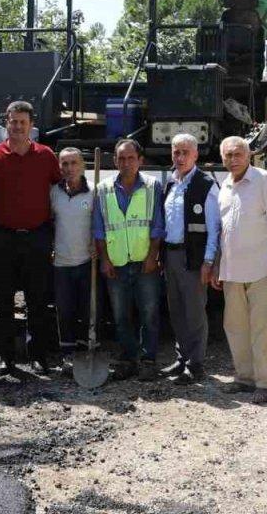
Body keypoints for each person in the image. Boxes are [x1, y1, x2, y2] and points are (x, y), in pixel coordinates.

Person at [0, 101, 62, 374]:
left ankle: (38, 357)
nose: (18, 127)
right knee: (2, 302)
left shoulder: (46, 156)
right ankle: (6, 357)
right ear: (6, 123)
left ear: (31, 125)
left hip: (37, 237)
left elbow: (58, 195)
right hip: (1, 238)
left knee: (37, 301)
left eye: (23, 122)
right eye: (13, 122)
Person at [213, 136, 267, 405]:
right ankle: (244, 378)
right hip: (232, 270)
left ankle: (266, 384)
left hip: (261, 268)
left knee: (262, 328)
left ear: (248, 155)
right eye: (228, 155)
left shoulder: (263, 179)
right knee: (235, 327)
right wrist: (218, 265)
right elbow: (223, 231)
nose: (233, 159)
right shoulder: (225, 187)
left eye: (237, 154)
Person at [94, 139, 164, 381]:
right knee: (121, 316)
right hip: (116, 263)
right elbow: (99, 228)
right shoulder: (102, 189)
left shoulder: (153, 186)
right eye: (121, 158)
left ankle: (148, 360)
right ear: (114, 161)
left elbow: (157, 224)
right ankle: (128, 359)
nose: (126, 163)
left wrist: (153, 256)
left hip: (145, 261)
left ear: (140, 161)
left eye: (130, 158)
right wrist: (104, 259)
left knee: (150, 313)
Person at [160, 133, 220, 385]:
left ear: (196, 155)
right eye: (176, 152)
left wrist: (208, 262)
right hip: (171, 256)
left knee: (195, 313)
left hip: (193, 259)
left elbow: (214, 228)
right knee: (177, 311)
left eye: (185, 152)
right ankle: (181, 358)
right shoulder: (170, 184)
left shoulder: (206, 185)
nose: (180, 157)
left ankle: (195, 365)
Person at [50, 147, 95, 370]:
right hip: (61, 263)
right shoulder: (53, 193)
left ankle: (84, 351)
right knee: (64, 310)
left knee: (87, 309)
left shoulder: (93, 192)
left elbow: (100, 225)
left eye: (74, 163)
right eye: (65, 164)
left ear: (82, 165)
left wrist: (98, 247)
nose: (69, 168)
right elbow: (48, 223)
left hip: (86, 261)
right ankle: (67, 354)